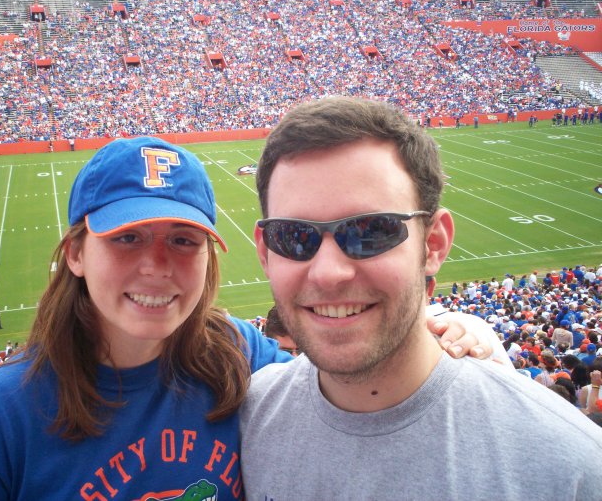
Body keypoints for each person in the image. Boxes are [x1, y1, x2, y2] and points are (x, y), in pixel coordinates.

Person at [0, 135, 495, 500]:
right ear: (75, 253)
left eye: (182, 240)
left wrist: (450, 327)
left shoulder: (238, 353)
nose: (156, 267)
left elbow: (350, 386)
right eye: (126, 238)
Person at [240, 97, 602, 498]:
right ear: (265, 252)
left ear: (434, 244)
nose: (328, 273)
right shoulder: (246, 420)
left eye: (370, 230)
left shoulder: (572, 468)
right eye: (293, 236)